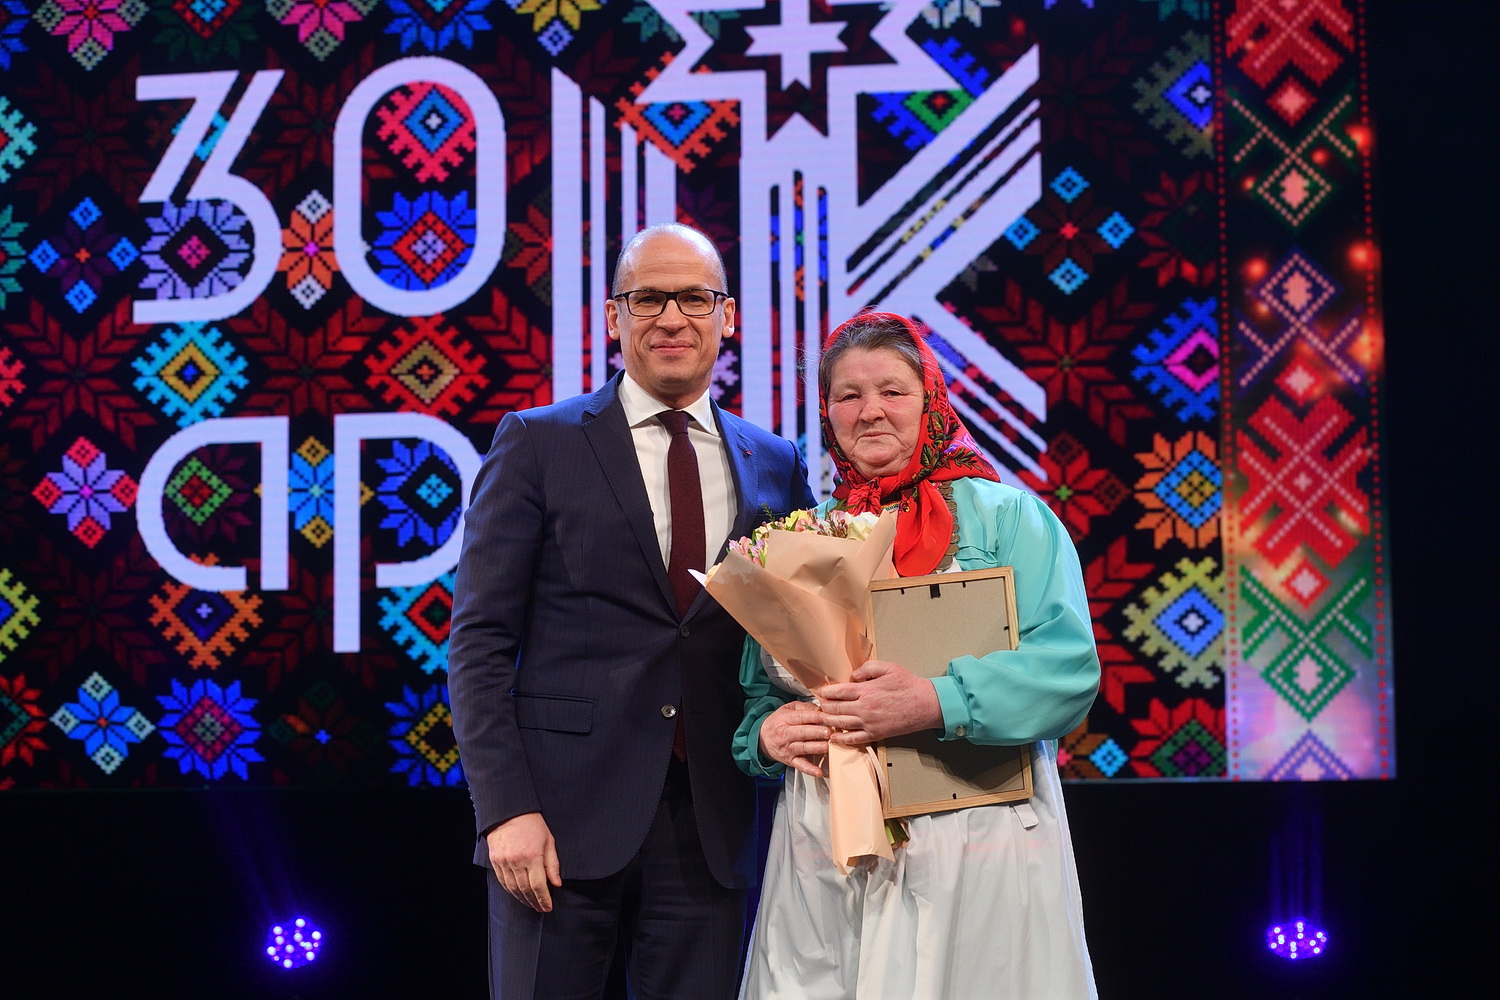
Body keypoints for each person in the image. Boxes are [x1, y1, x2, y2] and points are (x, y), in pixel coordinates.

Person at [450, 223, 815, 999]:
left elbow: (801, 635)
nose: (671, 318)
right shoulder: (538, 442)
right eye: (647, 298)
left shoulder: (776, 463)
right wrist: (505, 810)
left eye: (693, 298)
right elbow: (479, 644)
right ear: (614, 318)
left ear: (727, 316)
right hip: (556, 824)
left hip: (712, 825)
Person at [733, 311, 1099, 999]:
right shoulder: (798, 537)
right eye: (848, 395)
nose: (870, 410)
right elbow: (760, 692)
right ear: (827, 412)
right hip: (826, 837)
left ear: (931, 399)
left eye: (892, 391)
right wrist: (767, 735)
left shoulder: (1007, 517)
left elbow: (1067, 670)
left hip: (975, 827)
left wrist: (935, 699)